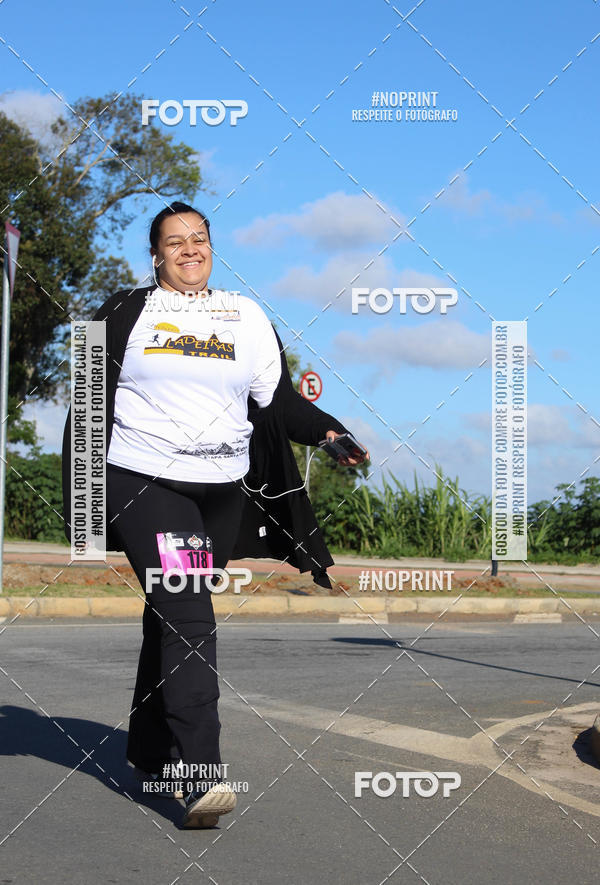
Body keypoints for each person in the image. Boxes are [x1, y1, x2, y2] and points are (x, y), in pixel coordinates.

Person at [61, 201, 369, 828]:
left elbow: (277, 401)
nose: (189, 249)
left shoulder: (247, 315)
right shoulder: (123, 311)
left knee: (174, 608)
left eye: (198, 238)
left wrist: (330, 432)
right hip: (143, 480)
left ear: (212, 246)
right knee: (189, 609)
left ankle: (149, 747)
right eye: (175, 242)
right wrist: (86, 501)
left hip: (222, 489)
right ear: (156, 255)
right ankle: (200, 774)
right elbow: (87, 394)